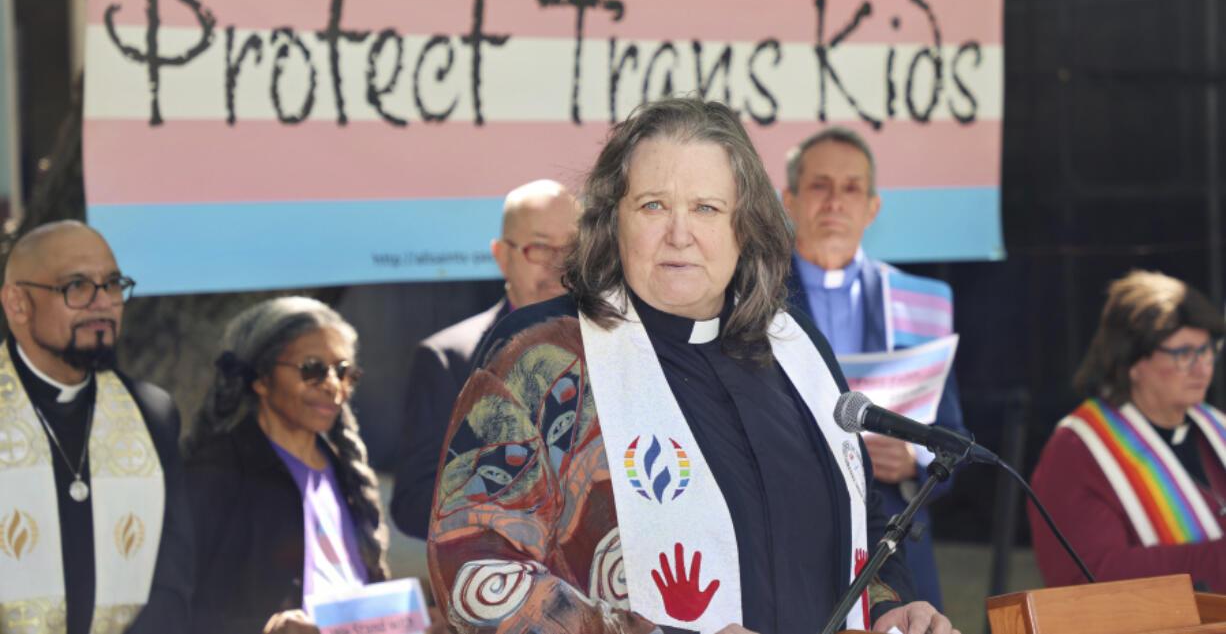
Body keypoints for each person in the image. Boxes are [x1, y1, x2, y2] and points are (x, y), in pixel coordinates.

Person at [428, 98, 957, 634]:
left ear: (743, 226)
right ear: (613, 220)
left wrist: (891, 607)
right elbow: (472, 562)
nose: (680, 234)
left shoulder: (796, 346)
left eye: (706, 208)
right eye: (654, 205)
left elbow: (864, 524)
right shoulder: (544, 357)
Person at [782, 127, 967, 609]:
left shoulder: (919, 303)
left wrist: (915, 461)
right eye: (820, 186)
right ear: (790, 200)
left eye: (851, 188)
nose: (835, 203)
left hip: (892, 540)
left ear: (872, 207)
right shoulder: (753, 299)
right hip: (786, 540)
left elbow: (952, 436)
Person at [0, 220, 192, 633]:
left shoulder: (152, 414)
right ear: (17, 303)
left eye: (112, 284)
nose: (103, 302)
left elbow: (173, 573)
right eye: (77, 286)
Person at [183, 297, 390, 634]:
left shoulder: (347, 470)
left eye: (343, 371)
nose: (333, 386)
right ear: (261, 379)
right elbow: (189, 607)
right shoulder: (217, 473)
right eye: (312, 369)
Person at [391, 179, 580, 538]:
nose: (558, 266)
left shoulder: (621, 350)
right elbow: (414, 503)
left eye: (571, 249)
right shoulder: (448, 359)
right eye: (540, 247)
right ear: (501, 256)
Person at [1029, 270, 1226, 590]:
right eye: (1184, 354)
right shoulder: (1078, 450)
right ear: (1133, 361)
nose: (1203, 367)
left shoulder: (1215, 427)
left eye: (1207, 350)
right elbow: (1089, 577)